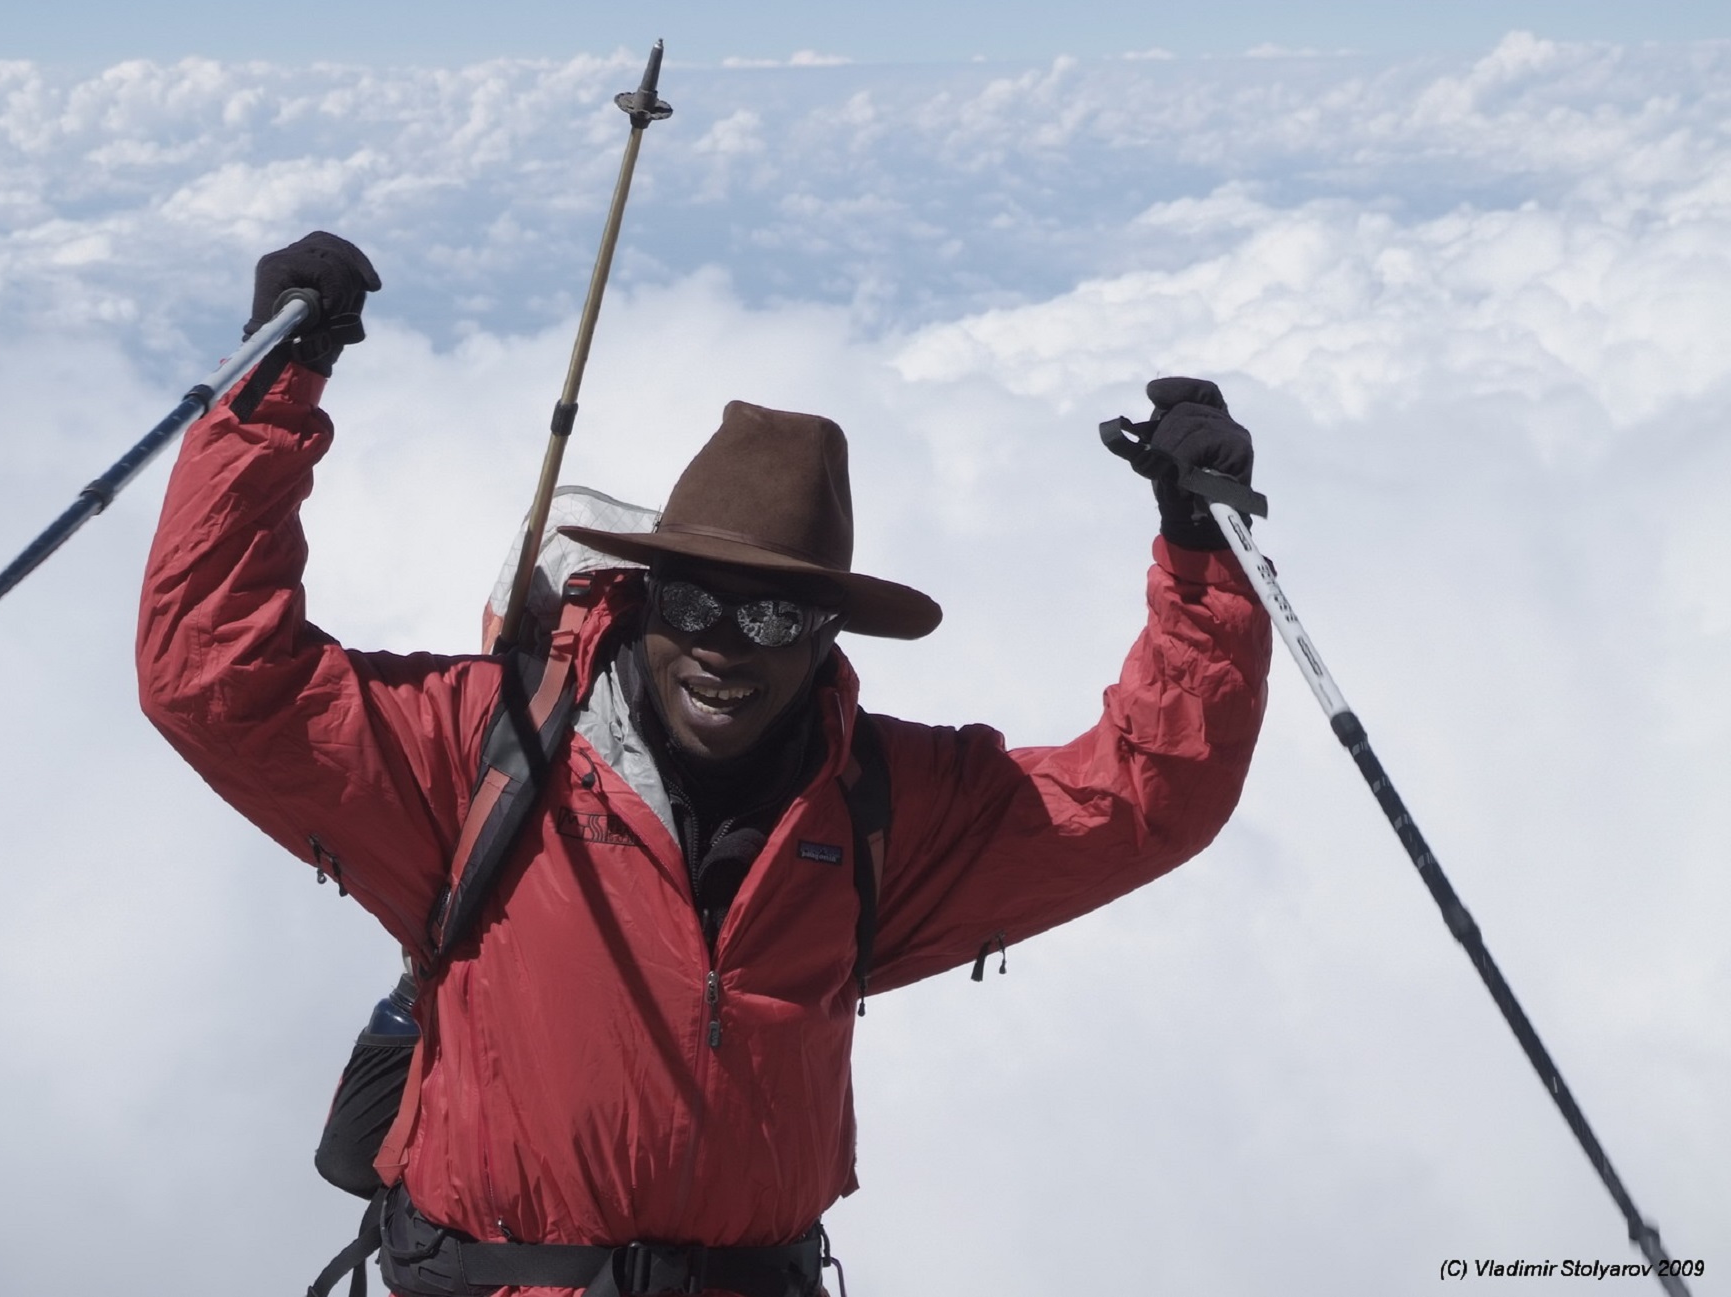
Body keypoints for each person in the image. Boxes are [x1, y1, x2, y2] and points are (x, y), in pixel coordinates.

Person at [137, 233, 1272, 1297]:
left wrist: (1202, 558)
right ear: (638, 596)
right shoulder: (488, 747)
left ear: (827, 633)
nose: (726, 645)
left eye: (777, 613)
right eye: (695, 600)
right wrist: (277, 384)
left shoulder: (883, 801)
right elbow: (213, 675)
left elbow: (1144, 797)